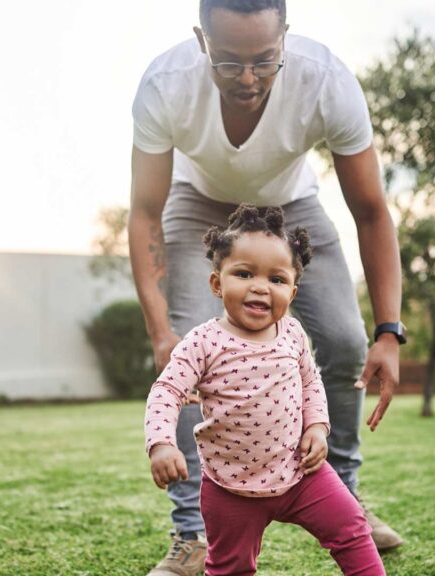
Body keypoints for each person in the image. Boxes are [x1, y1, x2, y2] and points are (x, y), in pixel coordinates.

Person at [129, 1, 405, 574]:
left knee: (346, 340)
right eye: (229, 62)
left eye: (264, 60)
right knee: (180, 353)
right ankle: (192, 534)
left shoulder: (325, 80)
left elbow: (373, 211)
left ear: (286, 38)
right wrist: (162, 332)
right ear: (202, 41)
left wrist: (389, 332)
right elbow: (144, 213)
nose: (248, 79)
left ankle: (345, 495)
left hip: (292, 205)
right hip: (195, 203)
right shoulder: (165, 83)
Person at [145, 204, 385, 575]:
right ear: (217, 283)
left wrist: (318, 428)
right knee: (231, 569)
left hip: (302, 474)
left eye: (276, 279)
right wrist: (161, 443)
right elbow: (167, 390)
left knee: (353, 528)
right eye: (243, 273)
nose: (260, 286)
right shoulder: (203, 342)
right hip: (230, 487)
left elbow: (310, 383)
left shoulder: (292, 333)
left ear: (293, 291)